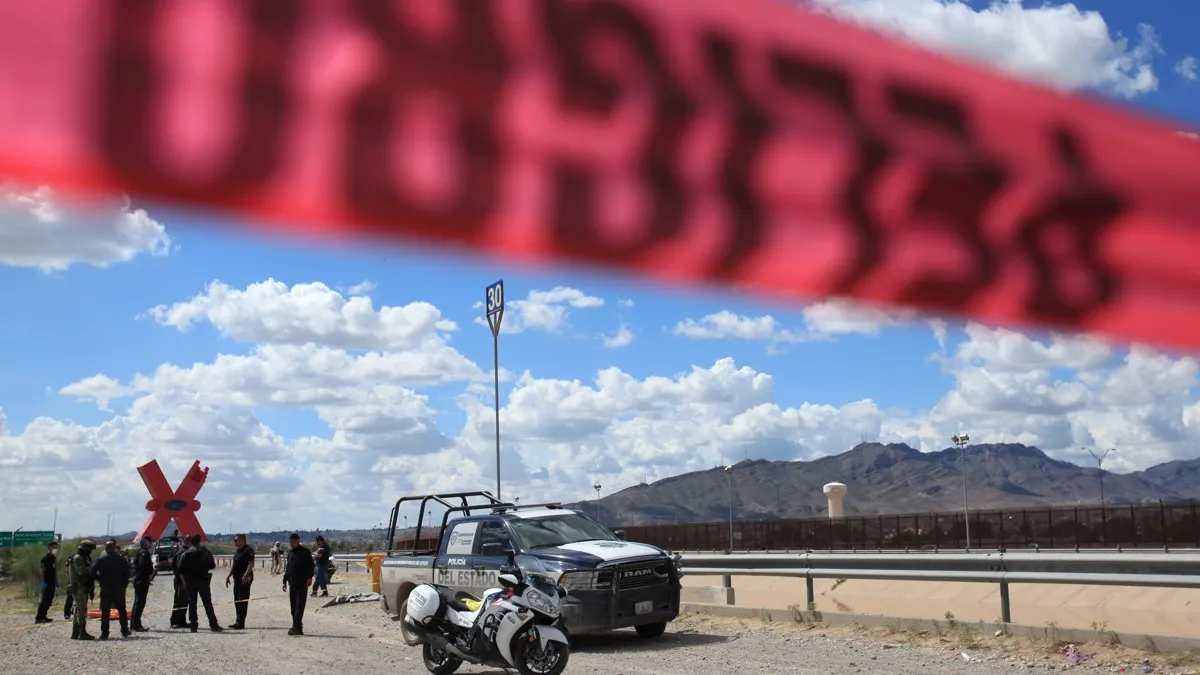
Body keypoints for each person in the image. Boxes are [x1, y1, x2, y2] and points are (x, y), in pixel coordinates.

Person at [179, 533, 223, 632]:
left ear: (190, 541)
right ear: (200, 541)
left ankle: (193, 626)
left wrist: (184, 582)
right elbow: (212, 565)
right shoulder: (205, 552)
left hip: (190, 581)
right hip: (203, 580)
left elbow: (180, 570)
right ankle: (213, 625)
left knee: (192, 604)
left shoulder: (186, 553)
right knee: (207, 603)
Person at [90, 539, 131, 640]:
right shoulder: (121, 559)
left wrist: (100, 579)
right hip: (119, 588)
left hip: (106, 588)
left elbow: (92, 572)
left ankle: (104, 633)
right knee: (121, 609)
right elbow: (127, 573)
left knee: (105, 612)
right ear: (114, 548)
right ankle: (125, 630)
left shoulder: (101, 559)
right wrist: (124, 585)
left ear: (106, 548)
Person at [282, 533, 314, 636]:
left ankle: (295, 627)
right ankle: (298, 627)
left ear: (298, 541)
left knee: (300, 606)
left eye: (293, 542)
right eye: (290, 542)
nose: (291, 544)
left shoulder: (305, 552)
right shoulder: (290, 553)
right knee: (293, 606)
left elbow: (311, 566)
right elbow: (288, 568)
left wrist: (310, 578)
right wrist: (284, 581)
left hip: (302, 582)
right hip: (292, 582)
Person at [67, 540, 97, 640]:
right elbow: (82, 572)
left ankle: (75, 633)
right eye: (89, 550)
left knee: (78, 610)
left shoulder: (85, 558)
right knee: (81, 610)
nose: (90, 552)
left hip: (84, 586)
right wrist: (92, 569)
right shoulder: (77, 558)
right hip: (79, 586)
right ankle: (81, 633)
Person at [225, 533, 255, 629]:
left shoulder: (248, 550)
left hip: (245, 579)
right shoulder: (238, 551)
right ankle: (238, 621)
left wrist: (246, 575)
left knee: (242, 600)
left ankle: (241, 622)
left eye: (236, 540)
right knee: (237, 599)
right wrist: (229, 576)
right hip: (237, 579)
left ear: (242, 540)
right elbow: (234, 565)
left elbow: (251, 564)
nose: (234, 542)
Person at [131, 536, 155, 632]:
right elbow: (143, 566)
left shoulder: (141, 552)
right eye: (150, 542)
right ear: (145, 542)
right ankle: (136, 625)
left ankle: (134, 624)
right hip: (141, 580)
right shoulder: (144, 553)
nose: (151, 544)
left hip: (139, 580)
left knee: (138, 602)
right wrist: (150, 573)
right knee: (139, 602)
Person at [34, 540, 60, 624]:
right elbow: (42, 571)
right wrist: (43, 582)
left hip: (52, 582)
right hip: (47, 582)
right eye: (54, 547)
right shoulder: (45, 559)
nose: (55, 549)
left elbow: (54, 570)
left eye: (56, 547)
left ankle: (44, 616)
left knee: (49, 601)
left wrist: (56, 580)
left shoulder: (54, 558)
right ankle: (39, 617)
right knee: (45, 600)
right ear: (49, 547)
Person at [169, 537, 190, 629]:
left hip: (184, 580)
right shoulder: (182, 552)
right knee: (178, 601)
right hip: (181, 581)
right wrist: (183, 581)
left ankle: (182, 621)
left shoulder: (185, 551)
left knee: (184, 601)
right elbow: (178, 569)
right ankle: (174, 621)